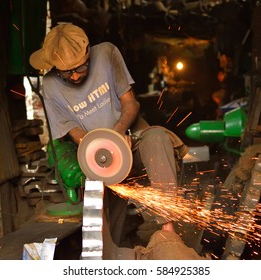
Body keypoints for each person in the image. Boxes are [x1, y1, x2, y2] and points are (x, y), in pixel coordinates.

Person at [29, 23, 191, 256]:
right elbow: (74, 132)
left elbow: (131, 102)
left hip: (132, 141)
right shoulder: (51, 85)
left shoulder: (106, 54)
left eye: (80, 68)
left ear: (88, 55)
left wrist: (117, 134)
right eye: (67, 72)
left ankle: (169, 233)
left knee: (157, 138)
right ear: (55, 68)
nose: (75, 76)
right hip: (98, 157)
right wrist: (103, 147)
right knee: (104, 223)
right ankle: (109, 256)